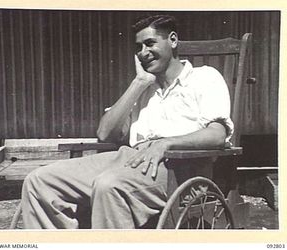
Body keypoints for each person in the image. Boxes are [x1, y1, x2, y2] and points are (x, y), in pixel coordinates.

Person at [21, 14, 233, 229]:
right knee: (39, 181)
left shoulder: (204, 77)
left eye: (150, 43)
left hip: (179, 167)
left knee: (109, 185)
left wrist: (166, 143)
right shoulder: (143, 87)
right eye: (139, 47)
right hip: (130, 159)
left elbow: (217, 134)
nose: (143, 53)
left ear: (173, 40)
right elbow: (104, 133)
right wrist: (139, 82)